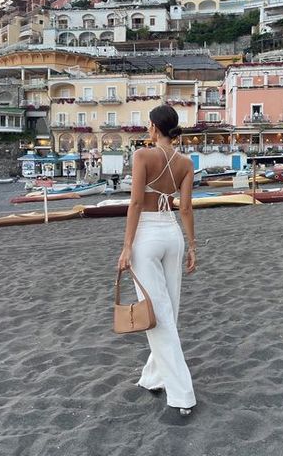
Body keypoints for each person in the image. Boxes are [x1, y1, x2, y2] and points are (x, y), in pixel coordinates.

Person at [117, 104, 197, 417]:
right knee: (168, 310)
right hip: (172, 235)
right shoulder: (186, 163)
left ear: (153, 127)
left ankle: (182, 395)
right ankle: (154, 375)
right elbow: (186, 208)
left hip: (147, 237)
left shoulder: (142, 156)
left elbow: (135, 202)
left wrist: (126, 246)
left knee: (157, 313)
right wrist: (193, 246)